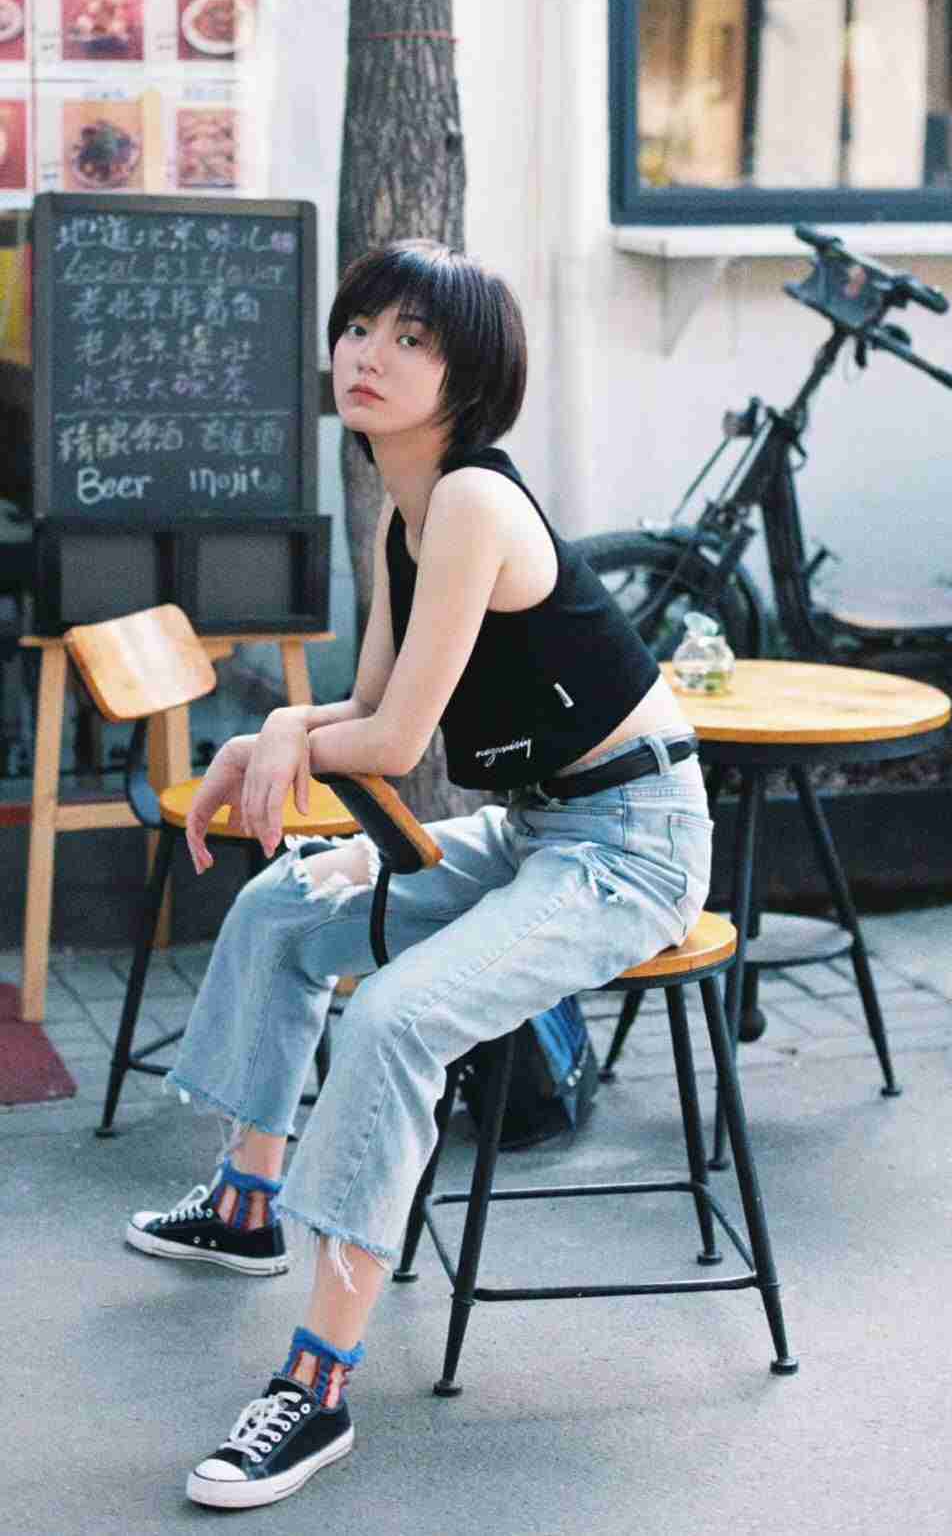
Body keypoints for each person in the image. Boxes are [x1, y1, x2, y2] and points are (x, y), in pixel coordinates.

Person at [126, 239, 713, 1510]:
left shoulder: (474, 505)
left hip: (631, 846)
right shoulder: (411, 510)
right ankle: (246, 1202)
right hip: (540, 829)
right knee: (287, 905)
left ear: (468, 376)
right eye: (359, 329)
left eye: (412, 340)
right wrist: (273, 731)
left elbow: (391, 746)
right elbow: (372, 705)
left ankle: (316, 1387)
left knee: (394, 1018)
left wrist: (275, 739)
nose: (370, 356)